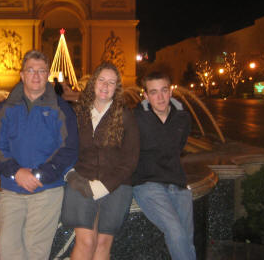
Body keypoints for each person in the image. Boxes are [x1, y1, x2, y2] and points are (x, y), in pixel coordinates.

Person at [0, 50, 79, 260]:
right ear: (22, 75)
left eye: (41, 71)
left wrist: (40, 175)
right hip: (12, 188)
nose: (36, 76)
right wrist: (16, 172)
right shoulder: (6, 107)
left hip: (46, 189)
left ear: (48, 74)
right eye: (31, 70)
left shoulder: (62, 108)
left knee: (35, 253)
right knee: (8, 252)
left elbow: (69, 149)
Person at [61, 62, 140, 260]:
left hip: (116, 183)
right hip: (82, 180)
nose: (105, 86)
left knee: (103, 243)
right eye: (102, 80)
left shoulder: (125, 116)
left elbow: (130, 160)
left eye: (111, 83)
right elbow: (65, 147)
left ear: (117, 88)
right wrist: (71, 175)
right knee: (87, 242)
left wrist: (105, 186)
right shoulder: (78, 113)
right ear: (93, 82)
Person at [132, 71, 196, 260]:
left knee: (187, 238)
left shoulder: (183, 117)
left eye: (164, 90)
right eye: (153, 92)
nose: (160, 97)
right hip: (147, 184)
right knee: (175, 232)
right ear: (145, 95)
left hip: (178, 183)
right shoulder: (135, 119)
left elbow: (180, 146)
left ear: (170, 91)